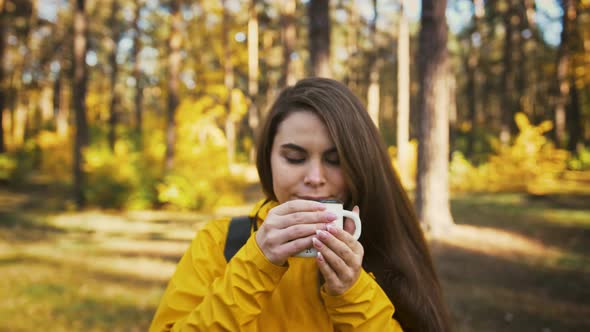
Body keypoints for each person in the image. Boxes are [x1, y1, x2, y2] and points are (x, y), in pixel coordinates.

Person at [149, 77, 451, 331]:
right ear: (268, 158)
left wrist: (352, 292)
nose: (315, 178)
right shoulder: (220, 243)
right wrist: (256, 264)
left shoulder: (385, 244)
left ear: (361, 164)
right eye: (294, 158)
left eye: (335, 161)